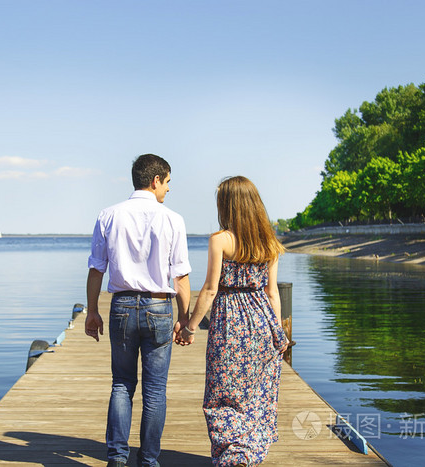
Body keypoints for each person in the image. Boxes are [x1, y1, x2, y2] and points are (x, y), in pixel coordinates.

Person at [85, 154, 192, 467]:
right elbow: (181, 277)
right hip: (159, 306)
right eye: (168, 182)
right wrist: (184, 320)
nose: (168, 189)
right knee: (155, 390)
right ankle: (148, 461)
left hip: (121, 306)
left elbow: (96, 269)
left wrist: (92, 311)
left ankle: (117, 459)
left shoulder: (108, 215)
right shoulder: (173, 219)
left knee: (121, 384)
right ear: (155, 180)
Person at [178, 176, 289, 467]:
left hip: (230, 322)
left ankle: (233, 454)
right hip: (263, 321)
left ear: (228, 204)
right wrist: (278, 335)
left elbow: (211, 289)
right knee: (255, 391)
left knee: (223, 393)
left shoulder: (220, 240)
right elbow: (273, 292)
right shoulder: (269, 241)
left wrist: (190, 326)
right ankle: (248, 451)